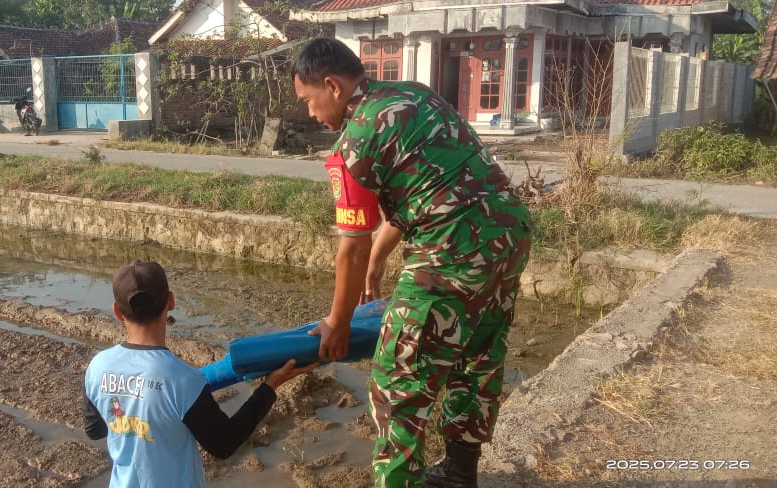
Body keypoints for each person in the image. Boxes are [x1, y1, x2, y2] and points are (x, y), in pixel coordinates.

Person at [292, 38, 533, 487]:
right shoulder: (416, 94)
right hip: (508, 234)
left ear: (332, 85)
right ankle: (461, 474)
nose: (310, 113)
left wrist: (338, 322)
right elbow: (430, 193)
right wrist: (379, 263)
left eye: (308, 100)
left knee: (397, 383)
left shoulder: (353, 146)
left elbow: (352, 246)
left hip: (450, 255)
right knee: (476, 355)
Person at [82, 260, 316, 488]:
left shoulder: (97, 367)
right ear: (171, 301)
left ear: (116, 311)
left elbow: (95, 430)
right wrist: (269, 387)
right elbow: (224, 443)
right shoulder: (182, 380)